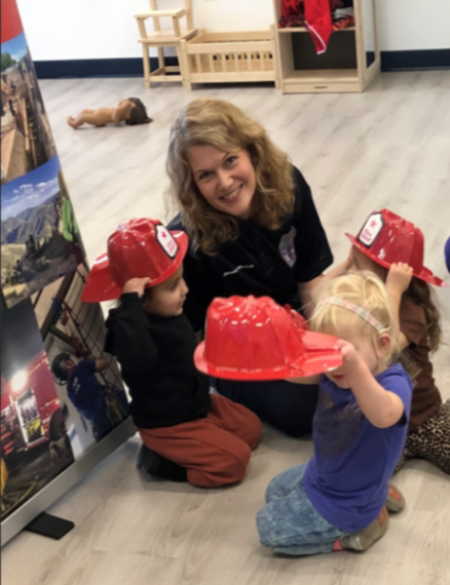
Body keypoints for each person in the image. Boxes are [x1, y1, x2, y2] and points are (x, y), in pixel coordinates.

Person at [167, 98, 349, 437]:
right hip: (238, 350)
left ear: (253, 151)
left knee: (372, 345)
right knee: (303, 409)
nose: (224, 182)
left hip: (294, 316)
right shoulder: (184, 240)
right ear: (192, 183)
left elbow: (310, 283)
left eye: (230, 160)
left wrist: (332, 343)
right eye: (206, 174)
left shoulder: (289, 186)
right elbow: (189, 340)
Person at [83, 218, 261, 487]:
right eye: (172, 286)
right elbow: (138, 360)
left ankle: (206, 439)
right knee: (233, 463)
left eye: (181, 280)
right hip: (168, 424)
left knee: (251, 429)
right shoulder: (129, 329)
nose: (185, 290)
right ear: (140, 297)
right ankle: (160, 461)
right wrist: (130, 305)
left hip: (197, 404)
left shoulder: (167, 308)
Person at [256, 271, 412, 556]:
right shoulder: (335, 367)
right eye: (326, 349)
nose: (332, 364)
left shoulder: (393, 384)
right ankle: (377, 497)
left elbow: (384, 416)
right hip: (323, 471)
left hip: (348, 503)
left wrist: (353, 367)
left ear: (383, 345)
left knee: (267, 526)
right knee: (273, 491)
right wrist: (273, 352)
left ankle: (358, 529)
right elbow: (296, 374)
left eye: (342, 353)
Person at [347, 209, 449, 474]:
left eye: (359, 267)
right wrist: (347, 265)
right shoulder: (356, 304)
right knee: (355, 471)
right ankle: (369, 503)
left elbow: (383, 346)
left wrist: (393, 290)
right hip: (382, 422)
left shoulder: (411, 312)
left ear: (388, 277)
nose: (352, 274)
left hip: (425, 416)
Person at [51, 354, 128, 441]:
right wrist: (90, 358)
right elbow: (104, 363)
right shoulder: (82, 367)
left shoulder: (70, 392)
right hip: (111, 413)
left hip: (100, 429)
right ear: (68, 363)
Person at [67, 97, 152, 128]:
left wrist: (118, 110)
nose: (123, 101)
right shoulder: (123, 109)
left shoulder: (118, 112)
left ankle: (74, 124)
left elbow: (115, 119)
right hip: (98, 112)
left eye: (125, 104)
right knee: (85, 111)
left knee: (83, 116)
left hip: (99, 118)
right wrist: (119, 109)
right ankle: (75, 119)